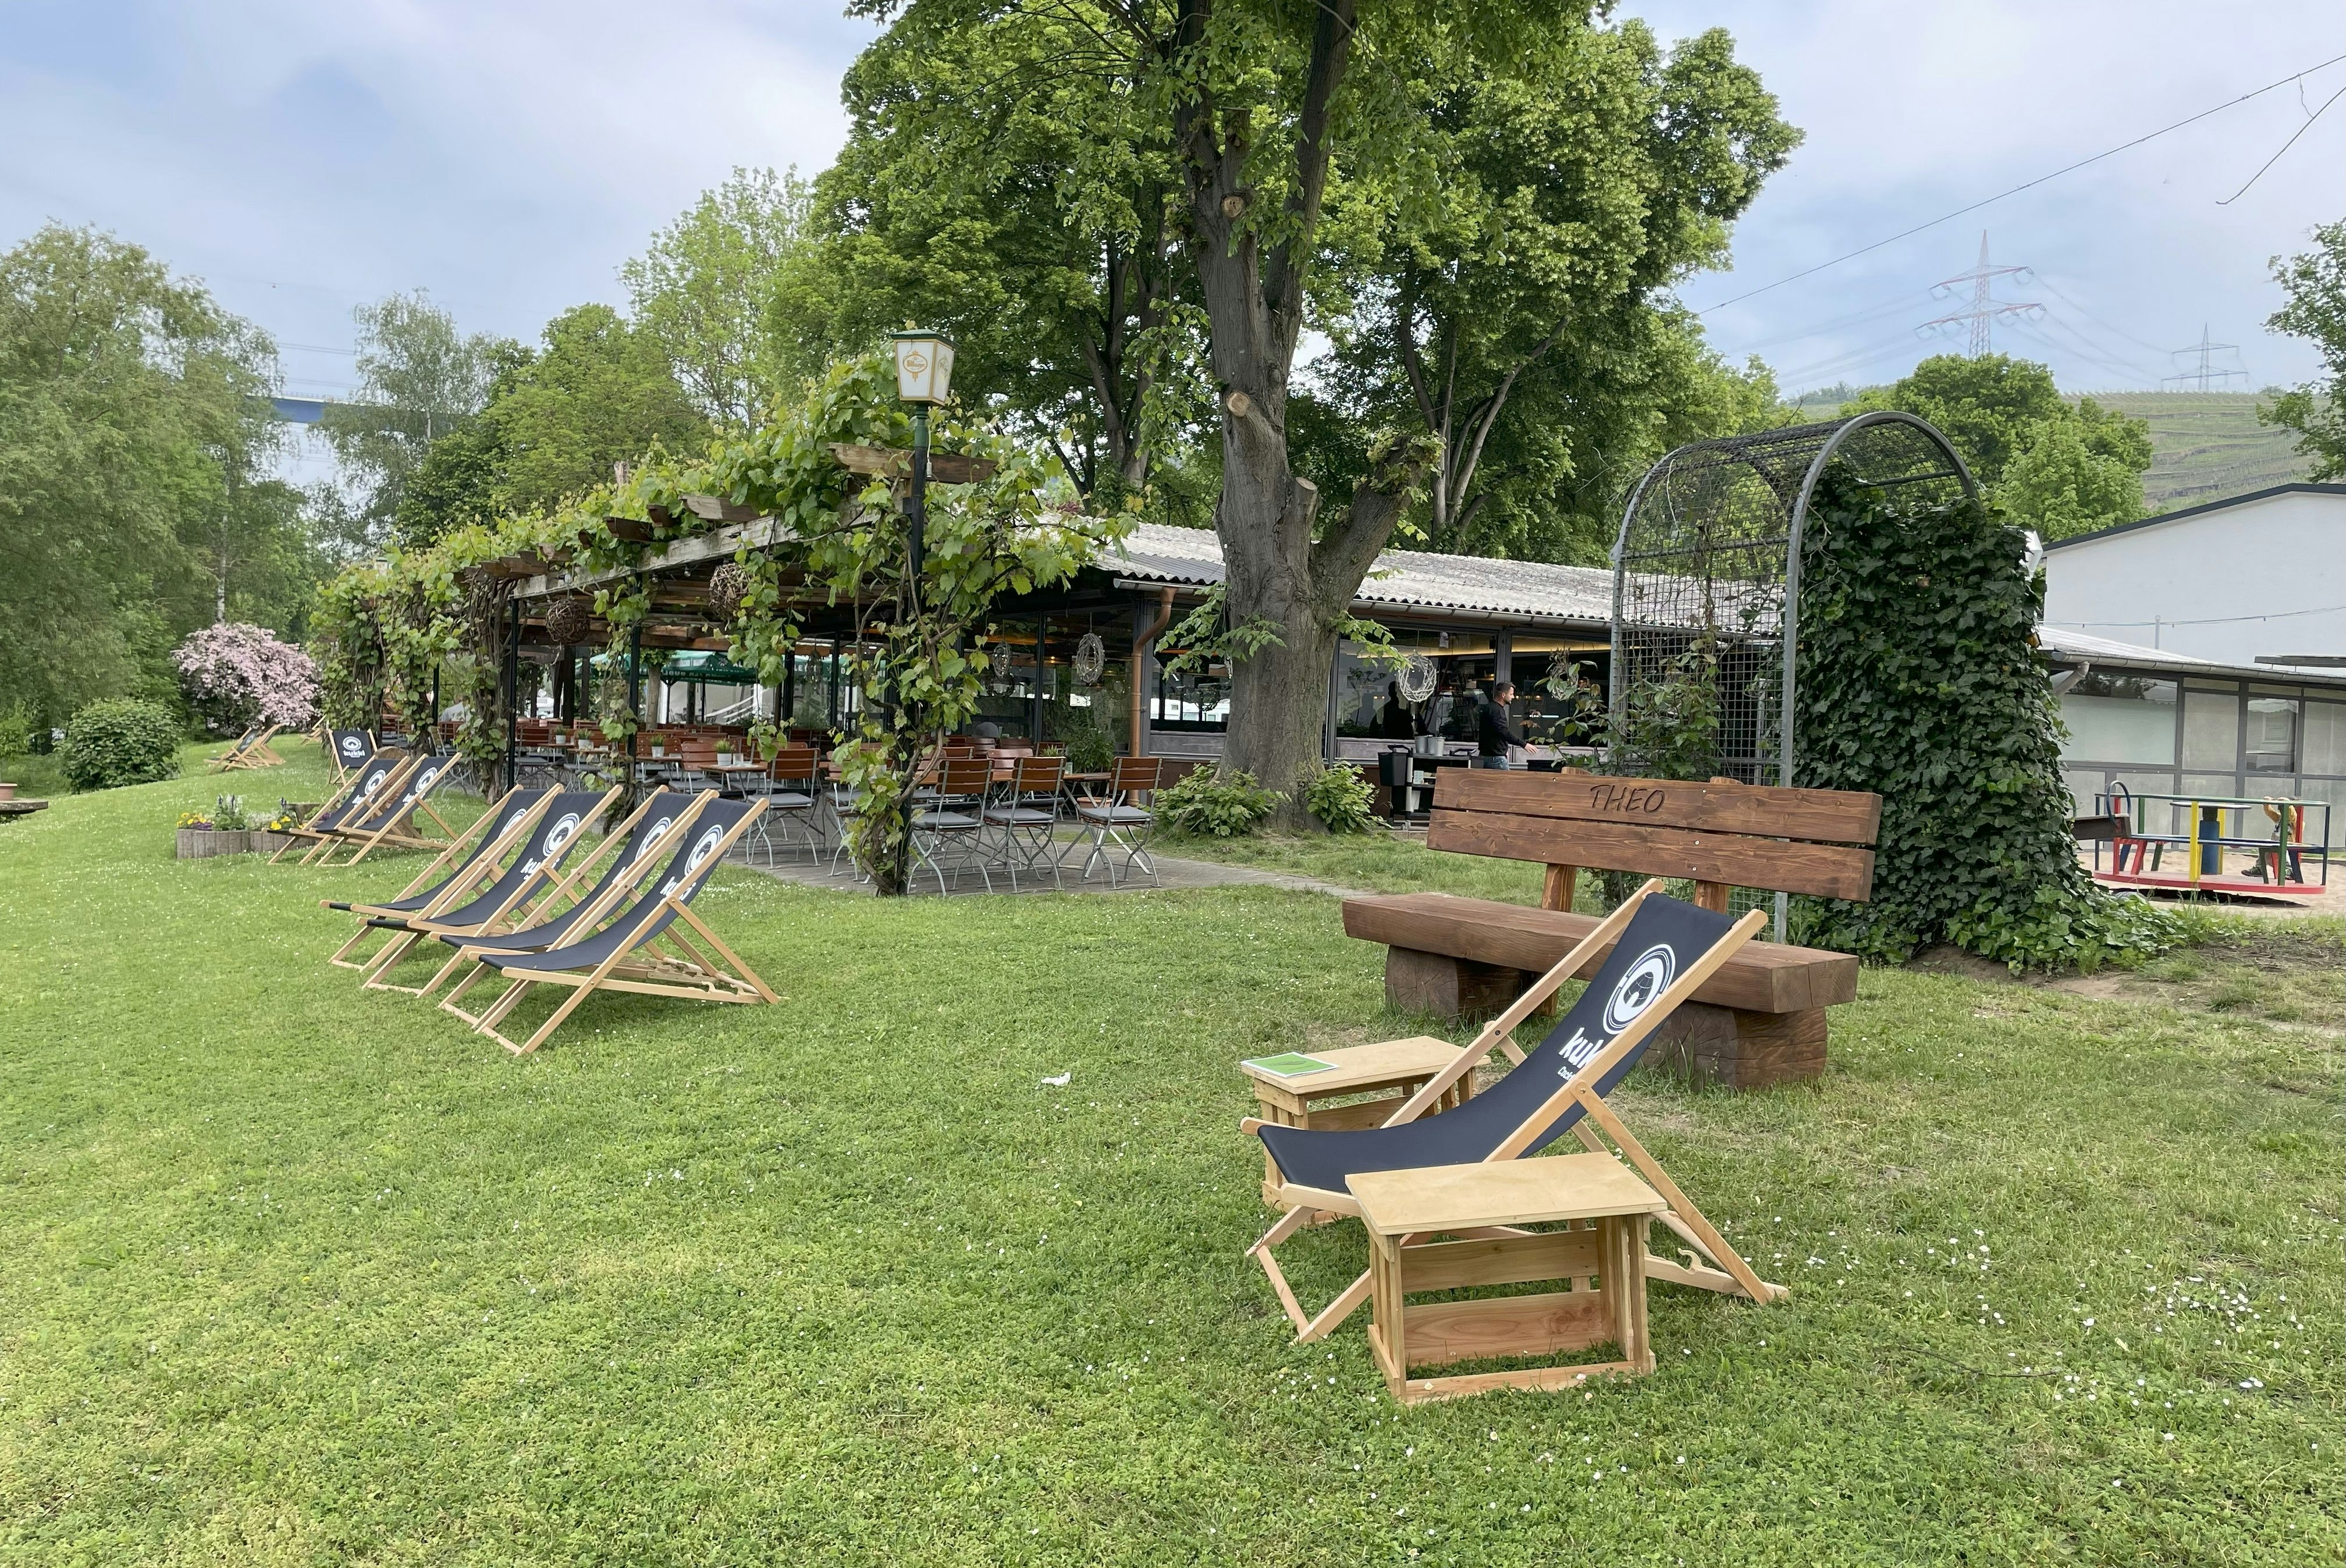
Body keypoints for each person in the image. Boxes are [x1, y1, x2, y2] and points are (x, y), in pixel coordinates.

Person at [1473, 681, 1526, 768]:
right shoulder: (1498, 711)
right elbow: (1503, 732)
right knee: (1506, 782)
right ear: (1503, 695)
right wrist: (1523, 744)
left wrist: (1504, 749)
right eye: (1511, 694)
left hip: (1484, 756)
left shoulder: (1488, 708)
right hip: (1496, 759)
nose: (1513, 697)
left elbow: (1493, 733)